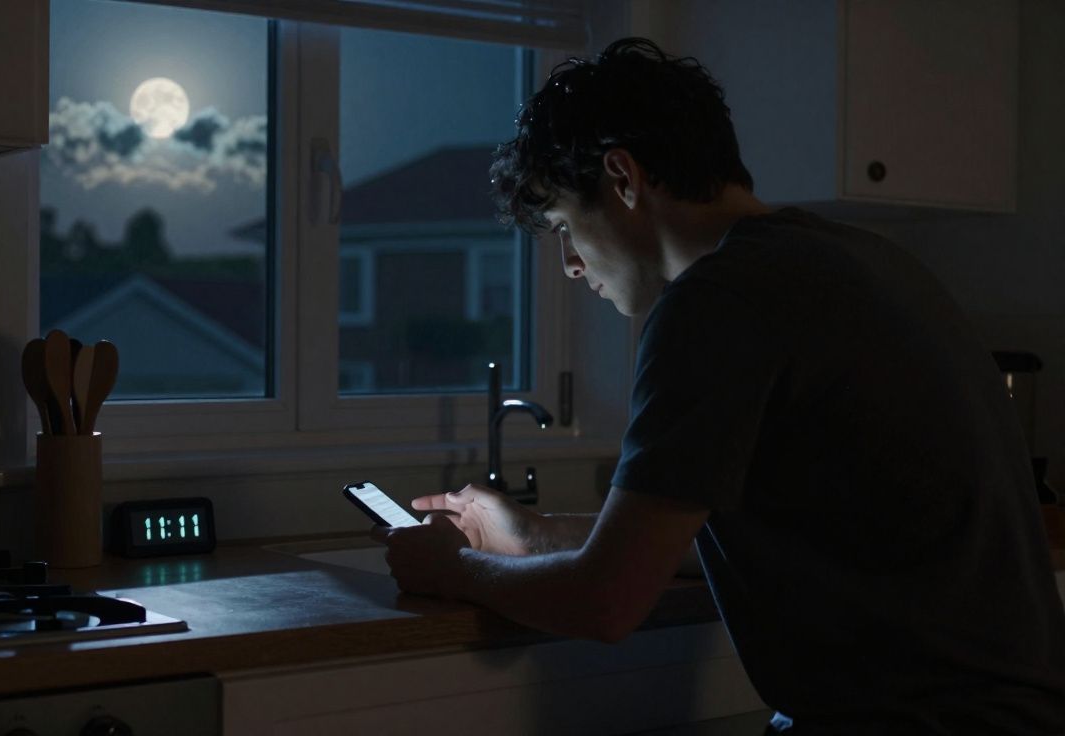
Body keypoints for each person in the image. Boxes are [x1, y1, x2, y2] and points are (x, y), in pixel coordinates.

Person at [373, 37, 1065, 734]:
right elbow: (689, 544)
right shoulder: (857, 260)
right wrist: (528, 533)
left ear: (622, 177)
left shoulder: (718, 303)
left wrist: (452, 570)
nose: (570, 265)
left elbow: (606, 601)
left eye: (563, 226)